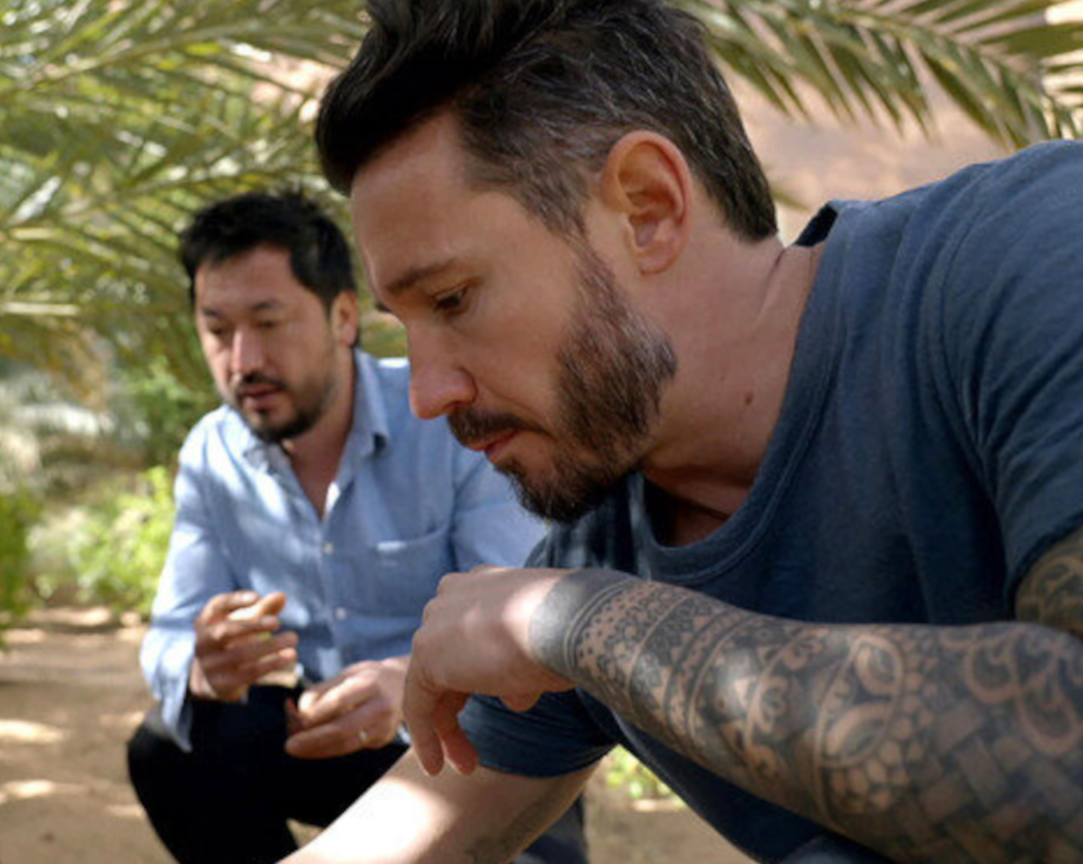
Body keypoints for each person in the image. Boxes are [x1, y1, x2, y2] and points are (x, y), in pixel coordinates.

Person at [283, 0, 1083, 862]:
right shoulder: (606, 547)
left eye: (452, 299)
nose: (427, 394)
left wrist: (584, 627)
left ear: (647, 207)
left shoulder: (1029, 255)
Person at [126, 191, 588, 864]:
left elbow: (520, 626)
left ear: (343, 317)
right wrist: (203, 665)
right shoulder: (211, 453)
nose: (243, 360)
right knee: (169, 752)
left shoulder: (447, 419)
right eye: (218, 330)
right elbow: (170, 634)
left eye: (269, 322)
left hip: (459, 737)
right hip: (314, 735)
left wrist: (409, 682)